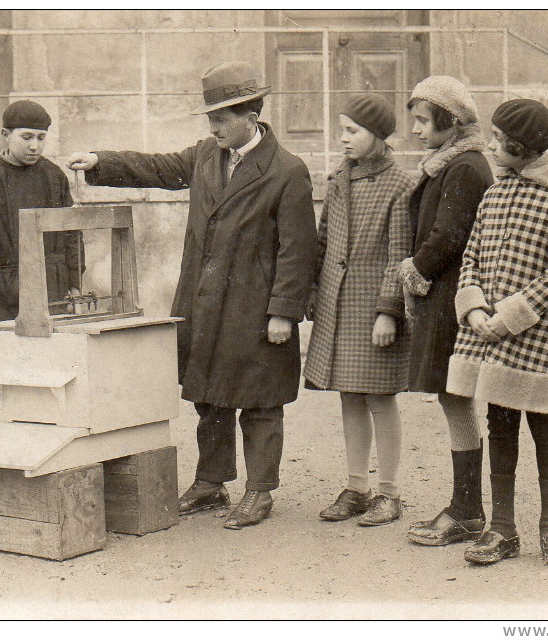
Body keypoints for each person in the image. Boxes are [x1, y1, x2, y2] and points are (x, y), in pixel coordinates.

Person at [66, 61, 318, 530]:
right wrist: (103, 161)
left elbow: (299, 249)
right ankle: (211, 482)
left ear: (253, 114)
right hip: (205, 301)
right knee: (210, 396)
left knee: (259, 400)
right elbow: (158, 167)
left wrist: (284, 312)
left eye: (223, 117)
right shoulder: (205, 156)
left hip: (255, 306)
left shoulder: (288, 171)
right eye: (210, 118)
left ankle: (260, 490)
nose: (214, 127)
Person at [448, 99, 548, 566]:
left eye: (497, 138)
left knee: (545, 425)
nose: (489, 144)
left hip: (537, 337)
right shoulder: (495, 193)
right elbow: (471, 258)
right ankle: (502, 529)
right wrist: (474, 310)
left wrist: (505, 319)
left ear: (521, 146)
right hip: (485, 332)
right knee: (500, 425)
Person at [303, 94, 417, 527]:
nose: (344, 139)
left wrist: (389, 310)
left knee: (380, 397)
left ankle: (389, 493)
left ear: (379, 136)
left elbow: (398, 253)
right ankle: (356, 487)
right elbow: (323, 239)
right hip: (338, 304)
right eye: (343, 130)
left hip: (373, 307)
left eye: (353, 131)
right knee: (349, 393)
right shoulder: (338, 180)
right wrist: (314, 292)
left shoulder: (400, 185)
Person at [398, 76, 496, 547]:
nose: (415, 129)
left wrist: (413, 270)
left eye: (422, 119)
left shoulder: (465, 167)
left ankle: (467, 510)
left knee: (456, 395)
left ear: (450, 122)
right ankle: (467, 507)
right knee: (453, 396)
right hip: (446, 296)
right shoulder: (454, 163)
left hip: (454, 298)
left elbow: (448, 236)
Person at [0, 100, 83, 323]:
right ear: (6, 134)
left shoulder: (55, 177)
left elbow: (72, 236)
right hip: (5, 296)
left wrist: (75, 289)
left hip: (54, 291)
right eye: (26, 137)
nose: (34, 146)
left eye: (41, 138)